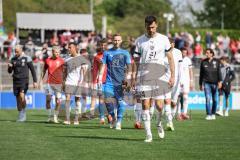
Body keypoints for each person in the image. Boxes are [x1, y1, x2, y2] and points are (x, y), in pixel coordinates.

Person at [134, 15, 175, 142]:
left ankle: (158, 124)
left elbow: (170, 58)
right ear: (145, 25)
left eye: (152, 27)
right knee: (145, 104)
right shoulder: (139, 41)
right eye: (148, 27)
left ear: (156, 25)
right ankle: (148, 134)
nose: (150, 29)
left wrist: (172, 76)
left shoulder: (164, 39)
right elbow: (135, 61)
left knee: (159, 106)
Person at [98, 33, 132, 130]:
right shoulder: (107, 53)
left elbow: (129, 66)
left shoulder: (125, 53)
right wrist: (100, 77)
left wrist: (128, 78)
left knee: (120, 102)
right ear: (112, 41)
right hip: (109, 82)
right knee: (107, 101)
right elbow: (103, 65)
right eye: (115, 40)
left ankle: (119, 122)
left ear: (121, 41)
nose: (116, 42)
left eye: (118, 40)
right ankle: (113, 118)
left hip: (120, 83)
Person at [62, 42, 90, 125]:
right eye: (68, 47)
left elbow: (84, 72)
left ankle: (76, 119)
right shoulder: (67, 59)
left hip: (78, 82)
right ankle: (67, 119)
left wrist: (83, 82)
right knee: (67, 99)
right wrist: (63, 82)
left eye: (70, 47)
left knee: (77, 100)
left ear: (75, 48)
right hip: (69, 81)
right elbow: (64, 72)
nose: (68, 49)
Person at [8, 45, 37, 122]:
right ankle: (20, 113)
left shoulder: (27, 58)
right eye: (15, 51)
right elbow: (10, 71)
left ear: (21, 50)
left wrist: (35, 81)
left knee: (22, 95)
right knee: (18, 99)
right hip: (15, 81)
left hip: (24, 80)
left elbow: (33, 70)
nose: (16, 53)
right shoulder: (13, 59)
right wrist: (10, 67)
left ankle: (24, 112)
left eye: (17, 51)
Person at [41, 46, 64, 123]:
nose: (57, 54)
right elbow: (43, 71)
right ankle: (49, 116)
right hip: (49, 83)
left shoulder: (62, 61)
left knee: (58, 101)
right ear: (52, 52)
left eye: (58, 52)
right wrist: (40, 80)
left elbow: (65, 72)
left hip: (58, 83)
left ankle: (55, 117)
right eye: (56, 52)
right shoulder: (47, 60)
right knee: (48, 100)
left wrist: (64, 82)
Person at [199, 48, 222, 120]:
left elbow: (219, 72)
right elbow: (201, 74)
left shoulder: (217, 61)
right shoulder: (203, 62)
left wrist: (220, 81)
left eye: (208, 53)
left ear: (212, 54)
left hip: (215, 83)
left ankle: (213, 113)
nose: (206, 54)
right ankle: (208, 114)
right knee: (208, 99)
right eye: (206, 53)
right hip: (206, 83)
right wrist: (200, 84)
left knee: (215, 100)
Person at [90, 38, 108, 124]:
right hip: (100, 81)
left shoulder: (111, 55)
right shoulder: (97, 57)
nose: (103, 47)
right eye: (102, 45)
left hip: (110, 81)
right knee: (101, 99)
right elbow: (94, 70)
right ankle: (102, 117)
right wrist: (94, 82)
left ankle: (109, 115)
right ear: (100, 46)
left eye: (105, 45)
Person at [176, 47, 193, 120]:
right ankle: (178, 113)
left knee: (185, 97)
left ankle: (184, 113)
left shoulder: (188, 60)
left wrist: (191, 81)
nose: (185, 54)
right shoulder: (177, 59)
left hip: (186, 81)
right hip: (178, 81)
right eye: (183, 52)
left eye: (186, 53)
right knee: (179, 98)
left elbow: (190, 71)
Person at [169, 38, 183, 121]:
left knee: (174, 102)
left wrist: (180, 79)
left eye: (172, 43)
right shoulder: (163, 52)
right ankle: (168, 120)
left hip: (176, 79)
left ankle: (172, 117)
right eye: (169, 43)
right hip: (166, 78)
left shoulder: (178, 52)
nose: (171, 45)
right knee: (165, 100)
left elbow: (180, 67)